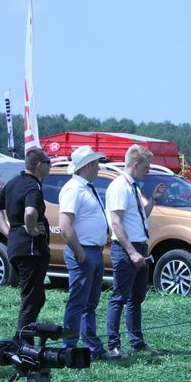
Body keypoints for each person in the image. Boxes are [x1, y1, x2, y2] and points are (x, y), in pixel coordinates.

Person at [58, 146, 119, 361]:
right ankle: (70, 348)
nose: (99, 167)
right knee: (78, 303)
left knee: (88, 303)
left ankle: (91, 347)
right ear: (88, 166)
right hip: (84, 251)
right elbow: (65, 225)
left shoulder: (86, 187)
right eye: (96, 163)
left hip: (93, 251)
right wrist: (80, 253)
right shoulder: (73, 189)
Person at [105, 145, 165, 356]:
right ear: (136, 164)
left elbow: (140, 217)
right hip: (126, 249)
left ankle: (136, 343)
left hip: (140, 247)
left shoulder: (134, 188)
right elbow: (116, 223)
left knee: (136, 298)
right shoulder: (120, 187)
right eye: (146, 166)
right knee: (119, 297)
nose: (148, 171)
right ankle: (113, 345)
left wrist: (154, 200)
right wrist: (131, 253)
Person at [0, 148, 51, 331]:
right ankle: (21, 345)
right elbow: (30, 212)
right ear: (39, 166)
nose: (51, 165)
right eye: (49, 163)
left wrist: (8, 231)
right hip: (30, 249)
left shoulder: (14, 182)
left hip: (17, 246)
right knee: (31, 300)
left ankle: (24, 342)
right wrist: (31, 229)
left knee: (36, 298)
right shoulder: (33, 186)